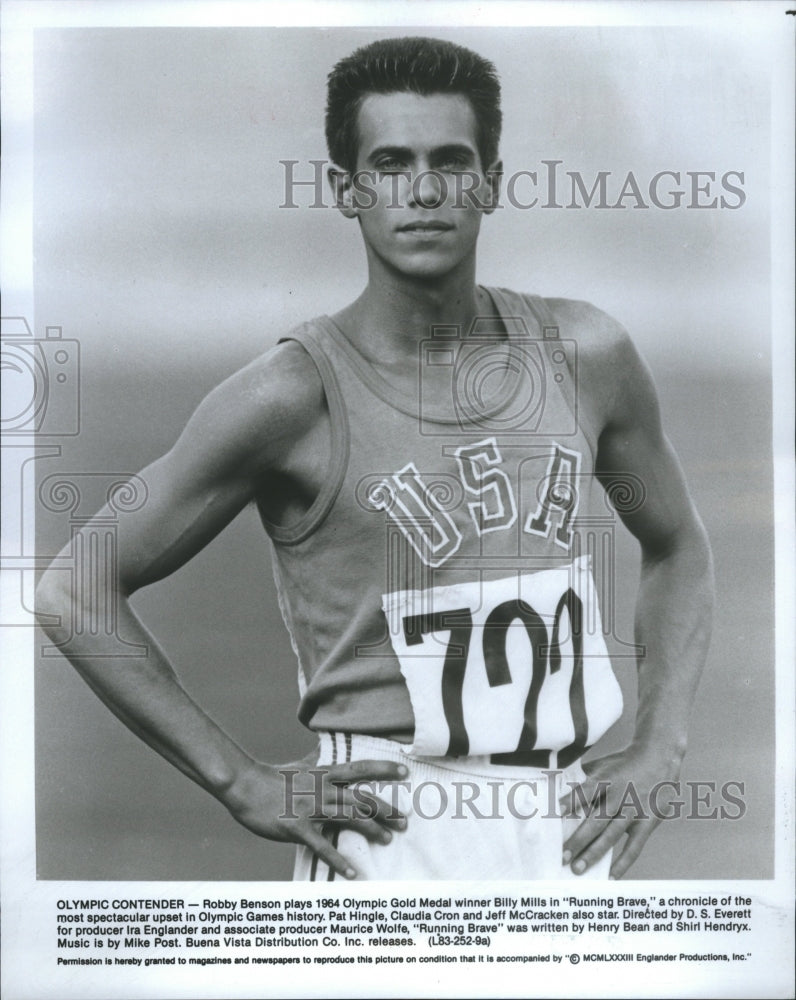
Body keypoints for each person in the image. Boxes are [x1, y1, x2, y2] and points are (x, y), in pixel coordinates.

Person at [37, 36, 713, 882]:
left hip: (563, 832)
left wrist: (659, 744)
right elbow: (73, 587)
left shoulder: (586, 354)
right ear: (346, 190)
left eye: (451, 162)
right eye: (390, 163)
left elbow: (679, 545)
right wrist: (237, 779)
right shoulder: (290, 398)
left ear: (492, 183)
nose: (423, 191)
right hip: (388, 837)